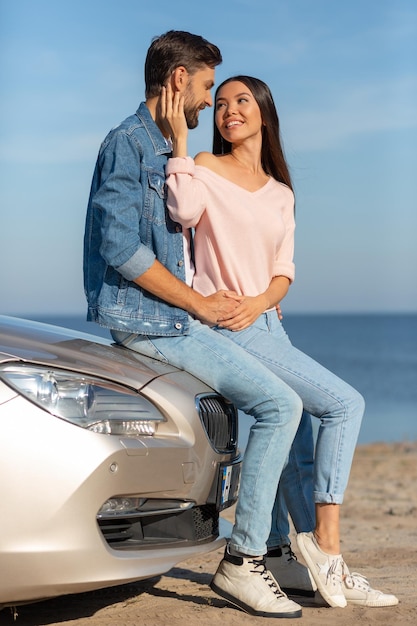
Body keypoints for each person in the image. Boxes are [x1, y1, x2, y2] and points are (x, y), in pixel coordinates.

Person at [84, 31, 305, 619]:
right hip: (153, 322)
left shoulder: (163, 145)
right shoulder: (128, 143)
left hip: (176, 319)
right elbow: (119, 248)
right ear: (179, 79)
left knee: (276, 406)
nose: (211, 103)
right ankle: (244, 561)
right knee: (281, 407)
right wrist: (201, 306)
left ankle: (271, 547)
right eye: (208, 87)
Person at [163, 74, 399, 608]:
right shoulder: (204, 166)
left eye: (241, 101)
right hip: (229, 326)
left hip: (268, 322)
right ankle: (327, 548)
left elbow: (283, 273)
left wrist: (263, 302)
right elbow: (182, 212)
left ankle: (295, 561)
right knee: (344, 404)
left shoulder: (281, 193)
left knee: (297, 452)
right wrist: (180, 142)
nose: (228, 110)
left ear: (264, 113)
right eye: (220, 103)